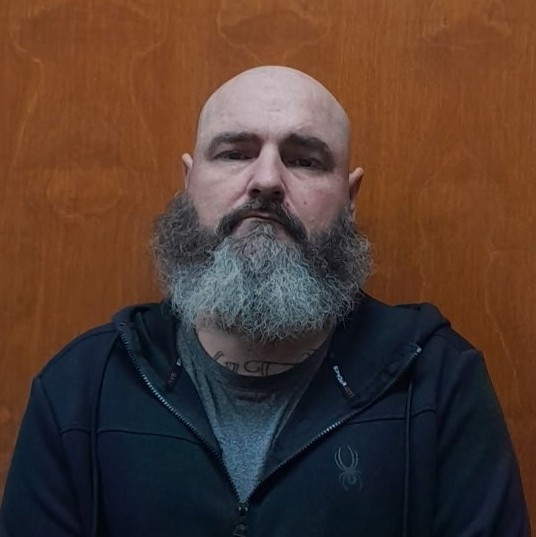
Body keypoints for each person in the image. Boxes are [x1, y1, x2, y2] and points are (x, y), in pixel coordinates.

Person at [0, 66, 530, 537]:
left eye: (304, 160)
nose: (267, 181)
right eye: (235, 153)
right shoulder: (81, 388)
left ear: (350, 198)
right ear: (188, 183)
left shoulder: (438, 382)